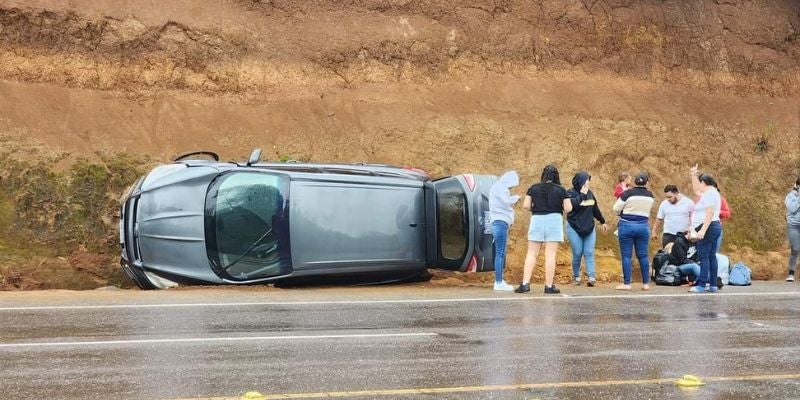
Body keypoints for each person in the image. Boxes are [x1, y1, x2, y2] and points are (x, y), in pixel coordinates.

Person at [515, 165, 573, 294]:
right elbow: (568, 208)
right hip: (554, 220)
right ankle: (549, 286)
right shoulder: (561, 189)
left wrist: (537, 208)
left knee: (531, 253)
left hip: (537, 219)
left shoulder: (533, 188)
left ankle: (525, 284)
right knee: (550, 255)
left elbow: (526, 206)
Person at [612, 171, 655, 290]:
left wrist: (623, 212)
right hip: (643, 226)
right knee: (643, 255)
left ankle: (627, 284)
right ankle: (646, 284)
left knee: (626, 256)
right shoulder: (650, 195)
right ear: (647, 182)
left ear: (635, 181)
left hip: (626, 225)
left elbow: (616, 209)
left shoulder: (627, 193)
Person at [566, 171, 608, 287]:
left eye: (588, 182)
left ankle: (591, 277)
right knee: (577, 253)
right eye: (585, 182)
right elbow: (571, 206)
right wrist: (582, 195)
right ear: (579, 182)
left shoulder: (590, 193)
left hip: (589, 227)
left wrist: (602, 221)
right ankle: (576, 277)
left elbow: (595, 209)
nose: (587, 184)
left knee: (589, 252)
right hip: (574, 227)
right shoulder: (570, 193)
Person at [688, 165, 723, 293]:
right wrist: (693, 175)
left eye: (700, 182)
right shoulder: (713, 192)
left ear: (703, 182)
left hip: (708, 227)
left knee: (704, 256)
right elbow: (696, 189)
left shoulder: (709, 194)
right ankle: (713, 285)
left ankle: (701, 285)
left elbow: (710, 212)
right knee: (711, 256)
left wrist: (702, 230)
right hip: (715, 226)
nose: (698, 185)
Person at [489, 171, 521, 291]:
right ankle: (498, 282)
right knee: (500, 253)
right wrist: (516, 198)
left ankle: (499, 281)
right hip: (500, 223)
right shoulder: (500, 188)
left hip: (498, 223)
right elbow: (507, 201)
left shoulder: (496, 187)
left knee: (499, 253)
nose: (511, 188)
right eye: (511, 185)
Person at [786, 177, 800, 282]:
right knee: (795, 249)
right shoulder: (790, 196)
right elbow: (792, 209)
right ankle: (791, 274)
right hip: (793, 226)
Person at [713, 182, 731, 251]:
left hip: (716, 228)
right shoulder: (702, 199)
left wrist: (718, 212)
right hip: (702, 229)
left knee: (715, 251)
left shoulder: (721, 200)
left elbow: (727, 213)